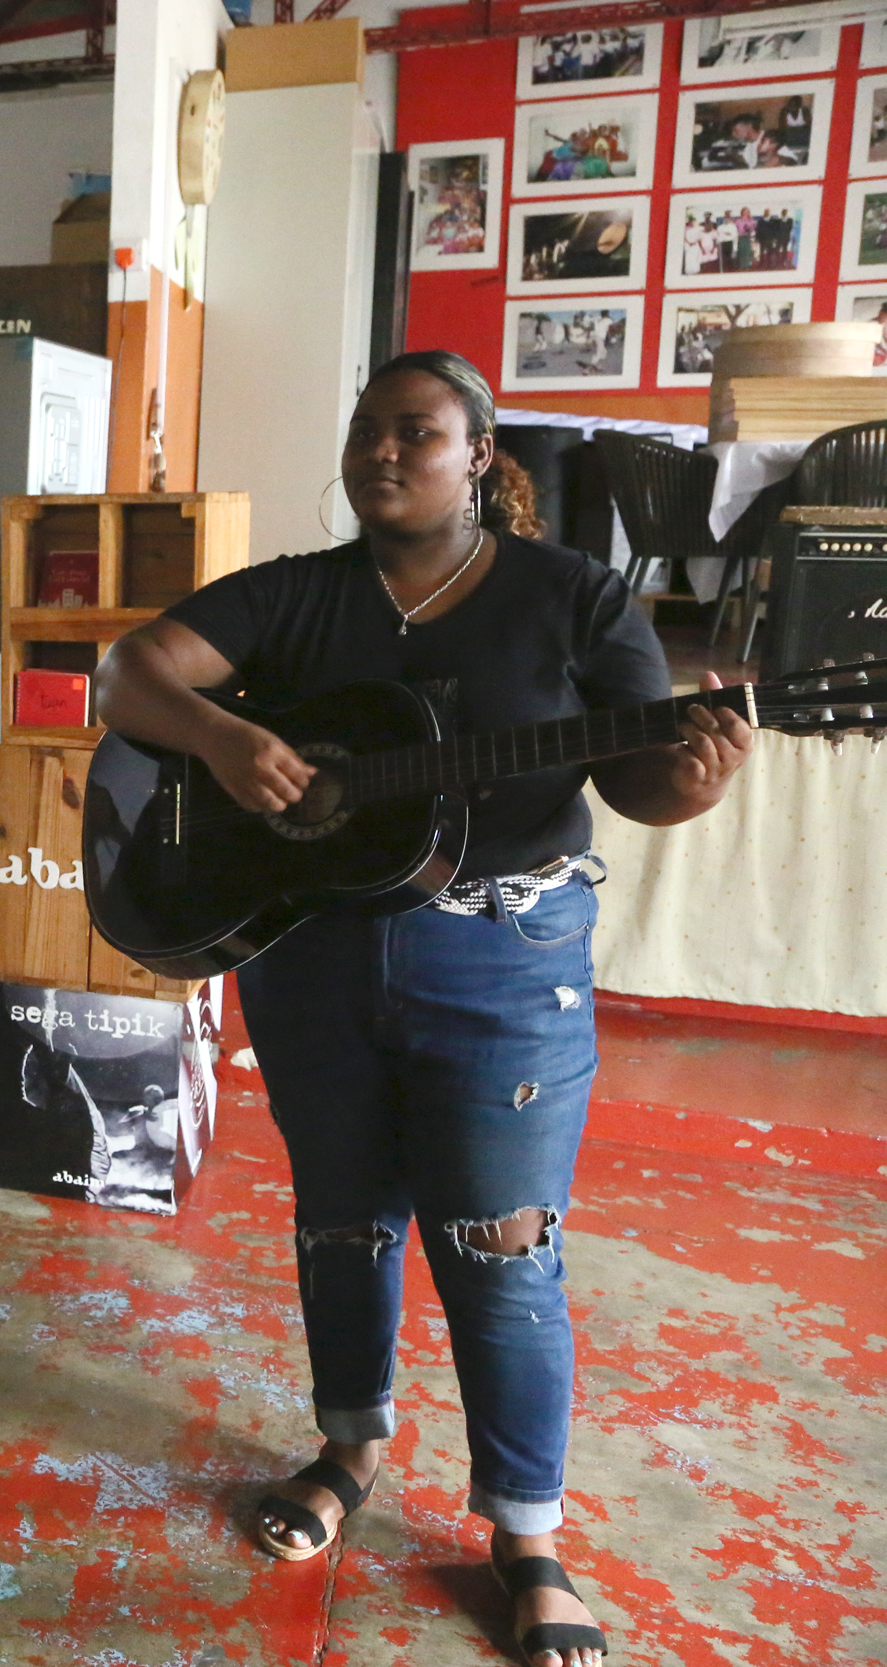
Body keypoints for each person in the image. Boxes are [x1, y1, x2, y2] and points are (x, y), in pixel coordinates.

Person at [92, 350, 753, 1667]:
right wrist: (223, 737)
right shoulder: (297, 592)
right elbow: (129, 675)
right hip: (313, 955)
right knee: (342, 1219)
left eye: (416, 431)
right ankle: (349, 1446)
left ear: (478, 453)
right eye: (366, 431)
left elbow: (640, 783)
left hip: (503, 958)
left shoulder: (571, 596)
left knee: (502, 1248)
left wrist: (701, 776)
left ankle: (526, 1534)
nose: (382, 453)